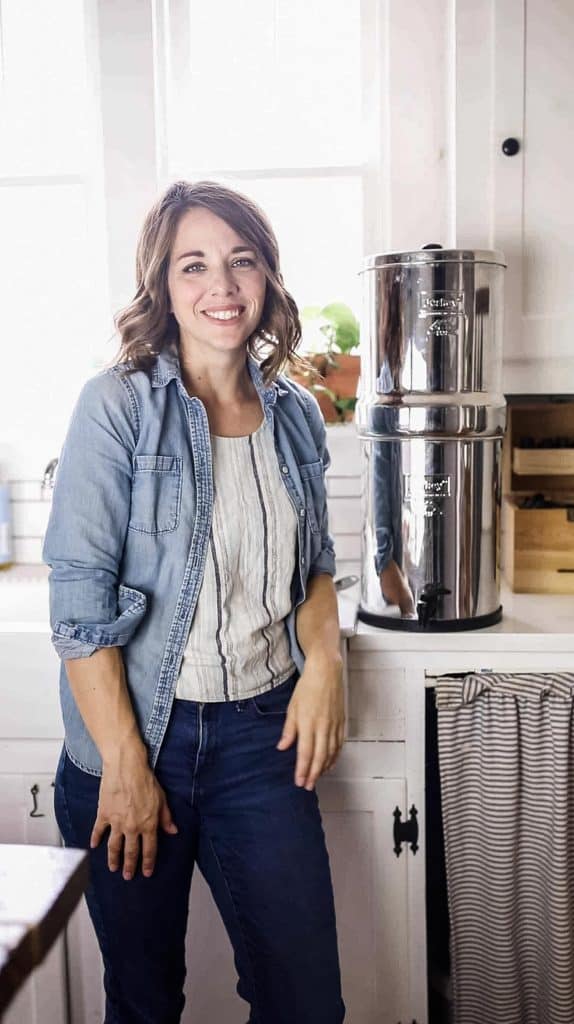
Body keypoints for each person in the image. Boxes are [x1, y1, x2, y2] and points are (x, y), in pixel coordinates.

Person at [43, 180, 347, 1023]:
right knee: (144, 1003)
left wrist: (326, 659)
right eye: (195, 265)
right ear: (163, 286)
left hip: (263, 740)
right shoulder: (116, 406)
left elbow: (316, 567)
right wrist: (127, 766)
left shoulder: (296, 415)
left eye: (241, 261)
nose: (222, 286)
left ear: (267, 278)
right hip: (141, 739)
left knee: (307, 1002)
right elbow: (78, 604)